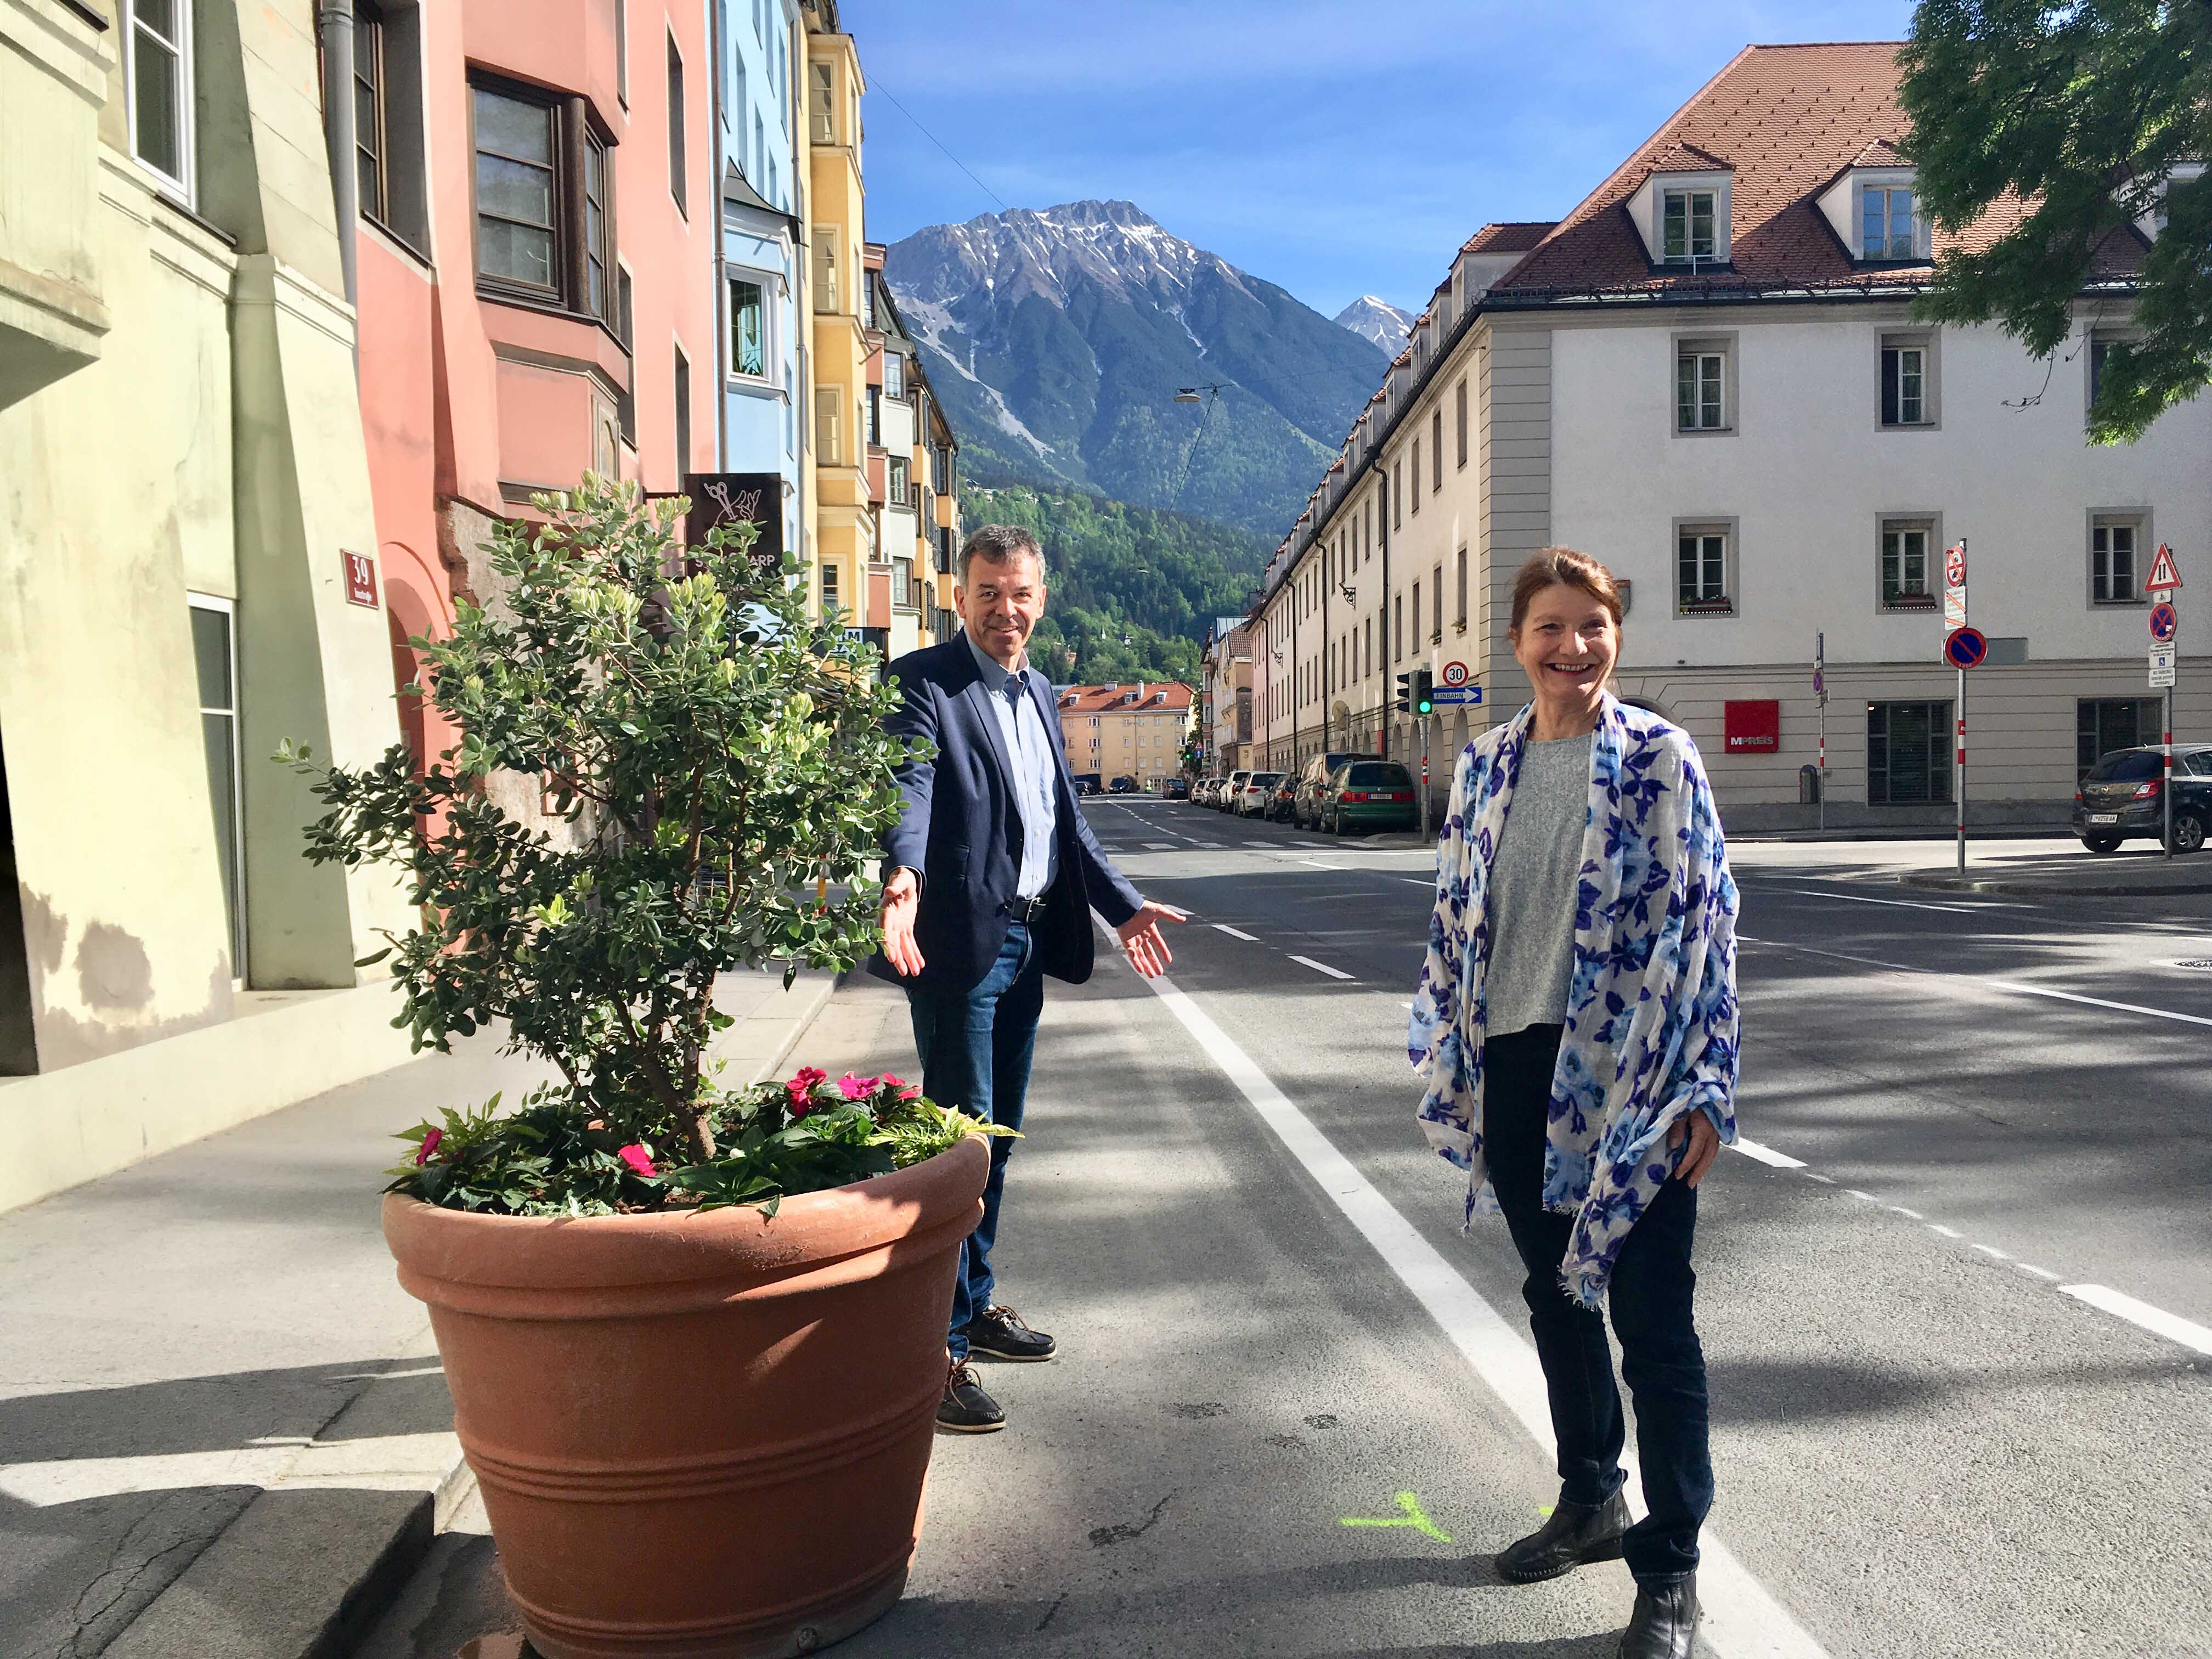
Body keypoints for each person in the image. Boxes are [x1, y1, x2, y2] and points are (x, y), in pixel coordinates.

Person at [1407, 548, 1739, 1659]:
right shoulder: (1488, 765)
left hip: (1632, 1075)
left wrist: (1706, 1083)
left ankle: (1673, 1566)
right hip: (1515, 1060)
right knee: (1556, 1298)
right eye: (1550, 628)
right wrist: (1452, 1045)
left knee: (1653, 1322)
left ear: (1616, 637)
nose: (1572, 647)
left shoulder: (1658, 759)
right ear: (1518, 645)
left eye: (1591, 626)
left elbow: (1707, 924)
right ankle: (1591, 1493)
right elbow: (1459, 919)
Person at [870, 523, 1187, 1434]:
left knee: (998, 1136)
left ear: (1042, 601)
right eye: (988, 593)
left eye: (1021, 595)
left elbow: (1066, 824)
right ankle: (936, 1353)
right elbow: (912, 787)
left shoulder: (1042, 692)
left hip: (1028, 941)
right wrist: (903, 873)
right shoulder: (926, 682)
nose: (1005, 611)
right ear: (959, 597)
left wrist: (1122, 908)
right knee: (958, 1143)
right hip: (961, 948)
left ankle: (974, 1306)